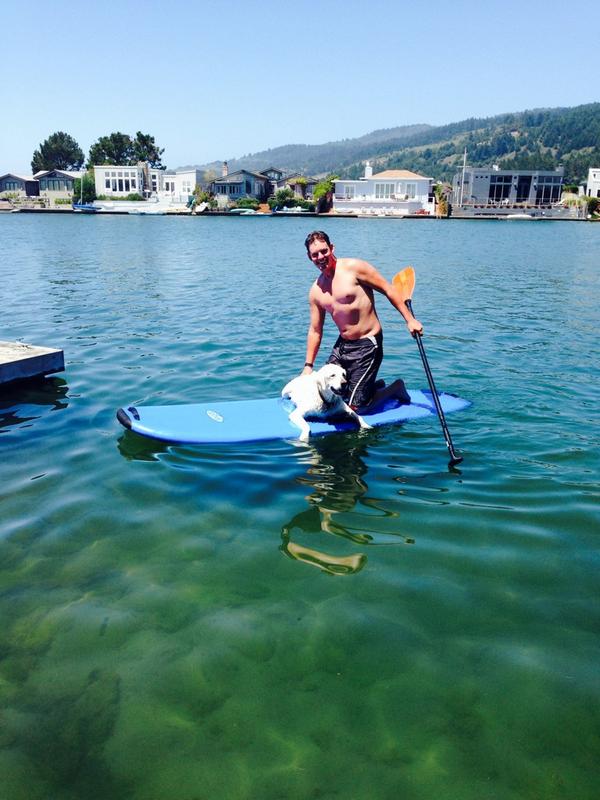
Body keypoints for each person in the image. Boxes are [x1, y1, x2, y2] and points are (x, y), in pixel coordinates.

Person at [301, 230, 423, 411]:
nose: (321, 257)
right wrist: (308, 366)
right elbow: (315, 330)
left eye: (324, 251)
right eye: (315, 254)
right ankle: (371, 387)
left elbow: (389, 290)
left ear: (332, 247)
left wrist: (410, 319)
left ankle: (394, 389)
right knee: (327, 388)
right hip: (342, 345)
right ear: (309, 257)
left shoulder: (355, 268)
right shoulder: (316, 291)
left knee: (355, 407)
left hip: (368, 344)